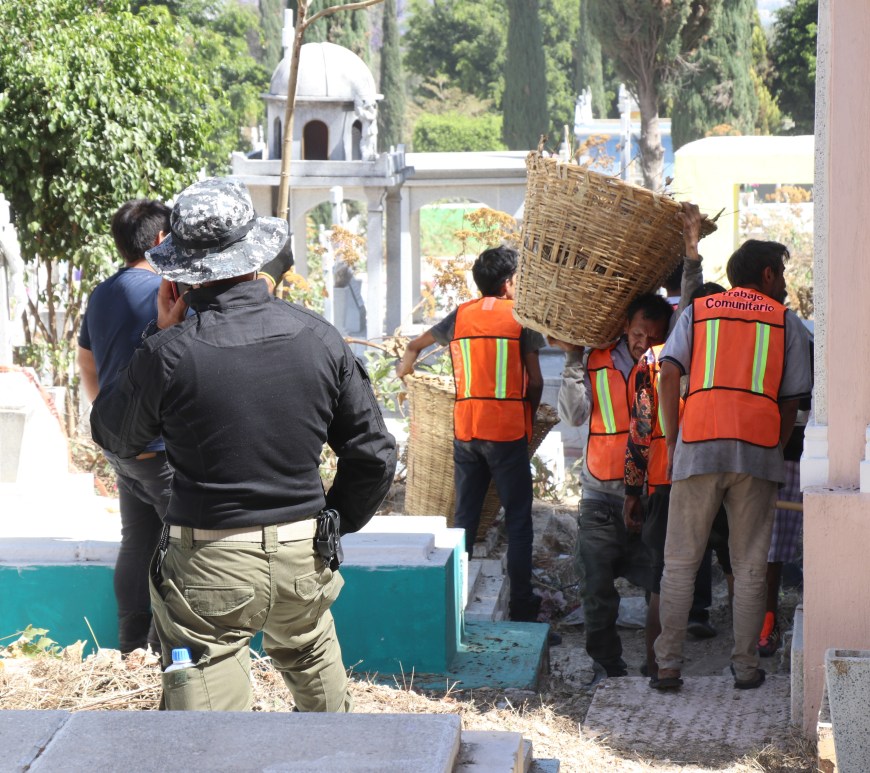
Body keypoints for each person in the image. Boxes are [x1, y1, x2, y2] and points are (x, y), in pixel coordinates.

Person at [90, 177, 397, 712]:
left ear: (181, 275)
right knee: (321, 684)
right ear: (254, 258)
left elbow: (116, 435)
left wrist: (155, 336)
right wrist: (331, 520)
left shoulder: (171, 352)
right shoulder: (319, 337)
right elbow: (374, 452)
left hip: (207, 570)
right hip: (304, 558)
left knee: (203, 724)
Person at [653, 240, 812, 691]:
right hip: (758, 452)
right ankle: (745, 668)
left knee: (681, 562)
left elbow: (668, 373)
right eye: (780, 274)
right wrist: (774, 447)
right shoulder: (786, 322)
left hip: (699, 444)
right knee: (749, 567)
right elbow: (792, 398)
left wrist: (672, 438)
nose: (782, 283)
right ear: (766, 275)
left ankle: (668, 667)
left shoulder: (700, 311)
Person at [555, 203, 705, 684]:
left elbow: (692, 308)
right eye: (638, 334)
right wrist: (573, 362)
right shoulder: (596, 359)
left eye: (653, 337)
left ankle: (655, 662)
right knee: (596, 584)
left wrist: (691, 253)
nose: (644, 343)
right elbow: (574, 415)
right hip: (602, 493)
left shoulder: (668, 361)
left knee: (661, 582)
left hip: (657, 489)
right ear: (625, 327)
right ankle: (609, 665)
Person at [396, 246, 546, 624]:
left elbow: (414, 346)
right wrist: (526, 416)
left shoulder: (460, 315)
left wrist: (405, 368)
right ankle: (523, 612)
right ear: (509, 282)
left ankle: (454, 610)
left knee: (464, 520)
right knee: (518, 522)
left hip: (466, 429)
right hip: (507, 430)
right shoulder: (520, 318)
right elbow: (537, 381)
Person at [624, 282, 733, 682]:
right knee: (737, 565)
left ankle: (659, 668)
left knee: (662, 575)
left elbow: (639, 433)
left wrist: (632, 492)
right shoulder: (727, 357)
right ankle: (743, 664)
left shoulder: (653, 361)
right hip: (723, 472)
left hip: (667, 479)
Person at [77, 199, 173, 655]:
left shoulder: (101, 293)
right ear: (160, 240)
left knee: (138, 540)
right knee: (189, 543)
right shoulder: (166, 292)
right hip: (159, 448)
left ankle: (132, 648)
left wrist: (114, 417)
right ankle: (162, 651)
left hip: (122, 447)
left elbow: (87, 362)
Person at [758, 330, 813, 657]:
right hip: (778, 453)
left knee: (779, 551)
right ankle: (768, 623)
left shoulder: (797, 336)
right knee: (772, 552)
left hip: (798, 452)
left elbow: (797, 404)